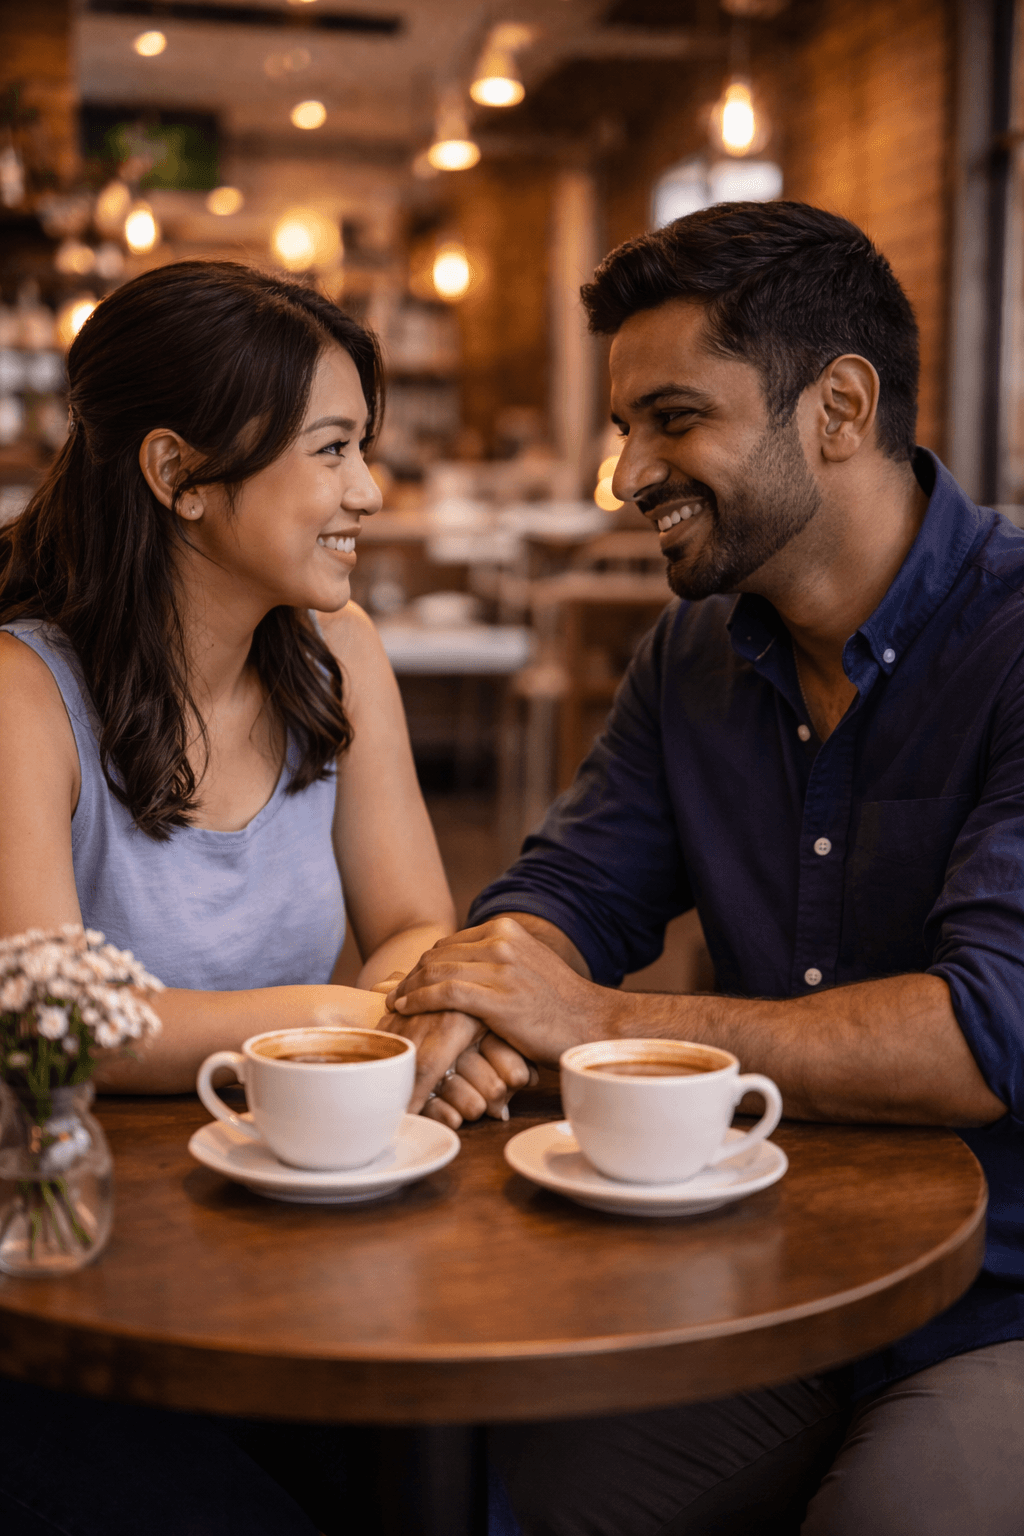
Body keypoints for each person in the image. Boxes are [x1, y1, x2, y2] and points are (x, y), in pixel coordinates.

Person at [384, 203, 1024, 1534]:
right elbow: (570, 891)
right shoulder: (690, 661)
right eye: (626, 429)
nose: (627, 475)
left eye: (672, 420)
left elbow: (980, 1036)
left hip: (998, 1304)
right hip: (755, 1258)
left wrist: (596, 1024)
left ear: (838, 407)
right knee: (503, 1482)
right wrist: (489, 987)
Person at [0, 259, 527, 1534]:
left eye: (366, 449)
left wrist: (373, 1039)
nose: (369, 491)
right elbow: (39, 1014)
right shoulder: (22, 692)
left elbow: (415, 923)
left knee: (461, 1498)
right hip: (73, 1259)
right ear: (179, 476)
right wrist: (334, 1034)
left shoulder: (336, 652)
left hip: (294, 1212)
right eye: (333, 450)